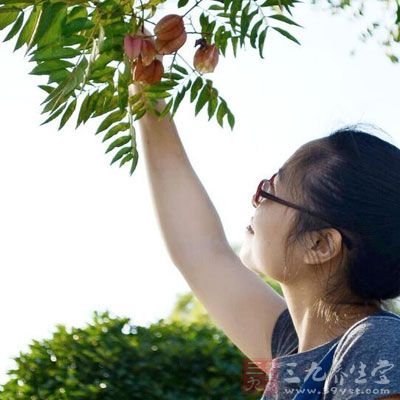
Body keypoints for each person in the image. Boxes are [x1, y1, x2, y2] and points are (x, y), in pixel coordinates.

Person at [133, 75, 400, 398]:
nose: (255, 200)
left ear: (320, 244)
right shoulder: (295, 348)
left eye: (269, 191)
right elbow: (199, 249)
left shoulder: (376, 344)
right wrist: (146, 90)